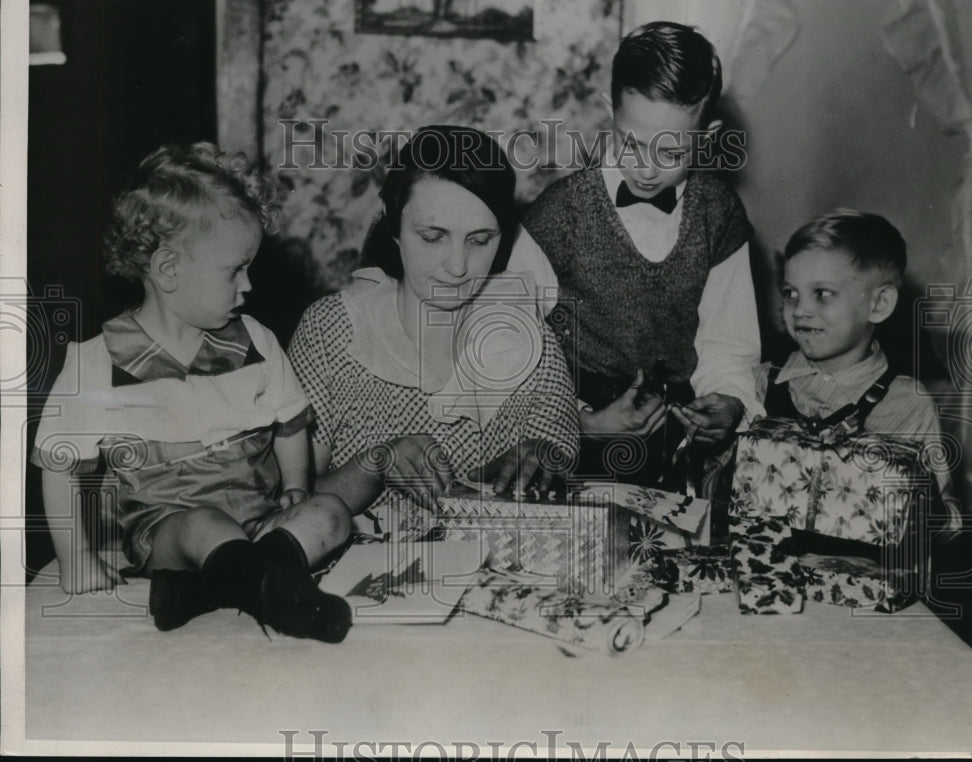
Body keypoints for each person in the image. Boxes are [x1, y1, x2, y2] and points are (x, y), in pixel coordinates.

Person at [31, 143, 353, 642]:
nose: (247, 285)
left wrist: (295, 483)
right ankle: (271, 588)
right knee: (202, 524)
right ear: (168, 270)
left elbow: (291, 421)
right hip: (169, 532)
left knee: (332, 515)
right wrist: (76, 559)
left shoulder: (256, 342)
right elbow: (58, 463)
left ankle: (214, 591)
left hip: (258, 520)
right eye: (235, 270)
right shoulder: (98, 361)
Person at [508, 21, 762, 490]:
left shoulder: (720, 214)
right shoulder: (559, 215)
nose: (646, 169)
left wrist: (727, 399)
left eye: (671, 152)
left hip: (679, 440)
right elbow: (511, 346)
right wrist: (583, 419)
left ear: (707, 136)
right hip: (576, 434)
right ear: (610, 110)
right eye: (631, 143)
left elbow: (728, 340)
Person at [287, 126, 579, 531]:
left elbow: (554, 463)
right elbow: (288, 501)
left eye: (480, 241)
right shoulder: (331, 329)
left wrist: (540, 463)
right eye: (433, 237)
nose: (457, 267)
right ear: (394, 226)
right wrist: (377, 463)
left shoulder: (527, 334)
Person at [760, 209, 962, 532]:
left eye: (822, 294)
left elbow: (946, 526)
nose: (800, 310)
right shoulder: (762, 381)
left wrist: (916, 500)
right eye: (790, 293)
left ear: (879, 304)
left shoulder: (909, 404)